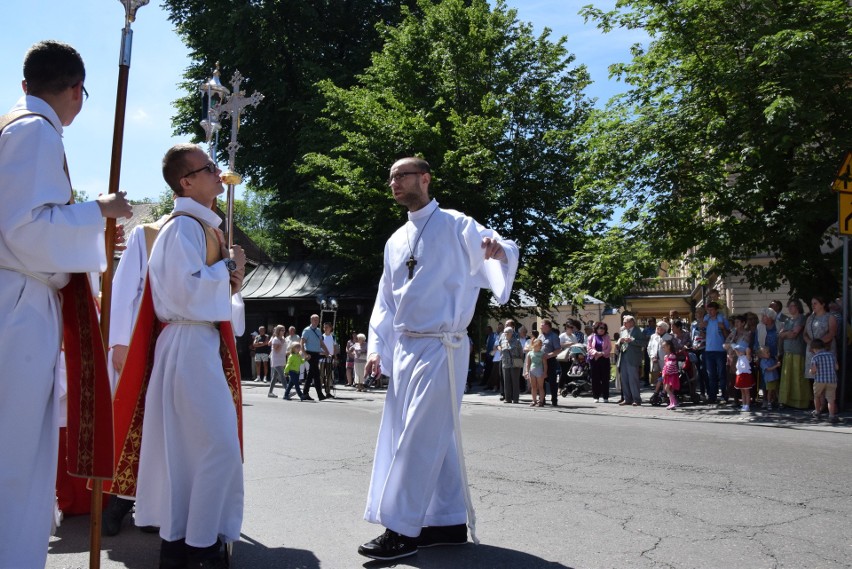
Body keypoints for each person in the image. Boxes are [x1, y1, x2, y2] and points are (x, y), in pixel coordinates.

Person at [0, 40, 133, 568]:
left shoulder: (19, 127)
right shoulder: (33, 131)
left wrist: (88, 234)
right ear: (77, 90)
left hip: (21, 296)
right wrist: (95, 213)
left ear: (27, 82)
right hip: (19, 302)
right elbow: (25, 232)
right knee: (18, 455)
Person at [358, 157, 518, 561]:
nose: (394, 182)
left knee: (417, 435)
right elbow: (385, 300)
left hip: (443, 345)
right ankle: (445, 521)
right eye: (390, 176)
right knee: (433, 435)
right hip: (407, 346)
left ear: (425, 179)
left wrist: (498, 251)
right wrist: (377, 347)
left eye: (402, 175)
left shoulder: (456, 223)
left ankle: (401, 529)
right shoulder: (395, 240)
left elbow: (500, 247)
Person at [133, 143, 246, 569]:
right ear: (186, 181)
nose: (219, 173)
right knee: (218, 447)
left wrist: (227, 275)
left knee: (189, 451)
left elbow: (202, 289)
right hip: (188, 341)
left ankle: (180, 544)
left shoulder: (199, 226)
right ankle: (201, 547)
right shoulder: (182, 227)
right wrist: (229, 269)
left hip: (193, 342)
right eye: (209, 168)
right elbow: (186, 291)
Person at [803, 296, 837, 411]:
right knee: (816, 377)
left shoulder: (830, 317)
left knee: (826, 376)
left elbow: (831, 333)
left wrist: (817, 344)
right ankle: (820, 405)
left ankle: (829, 405)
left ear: (822, 304)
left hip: (825, 349)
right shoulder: (810, 318)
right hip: (812, 349)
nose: (813, 305)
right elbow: (805, 334)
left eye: (815, 303)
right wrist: (811, 344)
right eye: (812, 303)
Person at [778, 299, 808, 408]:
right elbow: (780, 335)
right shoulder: (788, 320)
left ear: (798, 306)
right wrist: (787, 333)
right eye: (789, 306)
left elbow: (794, 334)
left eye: (792, 306)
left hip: (797, 352)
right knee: (787, 377)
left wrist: (786, 334)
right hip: (787, 352)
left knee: (797, 377)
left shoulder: (801, 318)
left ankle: (800, 402)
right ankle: (787, 401)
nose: (790, 308)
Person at [702, 302, 730, 404]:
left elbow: (728, 335)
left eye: (712, 310)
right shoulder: (707, 319)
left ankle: (724, 395)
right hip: (709, 350)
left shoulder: (721, 319)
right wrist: (702, 327)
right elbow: (702, 332)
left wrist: (723, 327)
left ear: (716, 310)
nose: (710, 312)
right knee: (711, 375)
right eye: (708, 310)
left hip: (720, 350)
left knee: (722, 374)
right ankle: (712, 396)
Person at [617, 315, 646, 406]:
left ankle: (637, 399)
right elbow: (621, 345)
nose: (624, 323)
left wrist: (632, 341)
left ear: (632, 322)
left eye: (626, 322)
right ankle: (627, 399)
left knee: (633, 380)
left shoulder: (640, 331)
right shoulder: (623, 331)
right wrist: (620, 342)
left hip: (633, 358)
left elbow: (644, 343)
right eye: (624, 322)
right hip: (623, 357)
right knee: (624, 379)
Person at [808, 339, 839, 423]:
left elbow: (813, 370)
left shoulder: (815, 357)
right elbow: (836, 367)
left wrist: (810, 371)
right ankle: (831, 415)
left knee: (817, 396)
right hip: (831, 380)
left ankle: (817, 412)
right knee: (831, 399)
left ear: (814, 348)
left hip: (819, 380)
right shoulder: (831, 355)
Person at [301, 314, 329, 401]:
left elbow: (321, 343)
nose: (316, 321)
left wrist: (326, 351)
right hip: (310, 354)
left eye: (318, 320)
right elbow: (301, 343)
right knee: (316, 373)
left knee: (311, 374)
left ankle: (305, 393)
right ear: (311, 320)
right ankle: (320, 394)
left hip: (316, 354)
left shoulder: (318, 331)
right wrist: (305, 354)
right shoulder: (306, 330)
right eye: (315, 320)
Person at [539, 319, 562, 406]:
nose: (540, 327)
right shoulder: (540, 337)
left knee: (552, 381)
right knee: (541, 381)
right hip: (541, 361)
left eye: (542, 325)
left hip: (550, 361)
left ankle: (554, 400)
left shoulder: (554, 336)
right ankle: (542, 399)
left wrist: (549, 355)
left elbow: (558, 349)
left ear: (548, 326)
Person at [497, 325, 524, 404]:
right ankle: (507, 398)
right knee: (506, 381)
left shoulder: (517, 341)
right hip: (505, 363)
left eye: (507, 332)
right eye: (504, 332)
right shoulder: (503, 341)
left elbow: (521, 353)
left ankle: (515, 398)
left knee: (515, 381)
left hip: (515, 362)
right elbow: (500, 349)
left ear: (511, 333)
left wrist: (520, 361)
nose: (505, 334)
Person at [586, 321, 611, 403]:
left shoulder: (607, 337)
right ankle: (596, 396)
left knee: (605, 378)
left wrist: (602, 353)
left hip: (604, 359)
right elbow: (589, 348)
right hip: (594, 359)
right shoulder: (591, 337)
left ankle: (605, 396)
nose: (602, 330)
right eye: (600, 328)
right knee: (595, 379)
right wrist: (595, 353)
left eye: (604, 328)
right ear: (596, 329)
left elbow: (609, 348)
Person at [524, 338, 547, 407]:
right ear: (534, 345)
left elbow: (545, 364)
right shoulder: (530, 353)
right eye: (538, 345)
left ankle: (541, 401)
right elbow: (528, 364)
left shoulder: (542, 353)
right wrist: (527, 372)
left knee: (540, 387)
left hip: (539, 370)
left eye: (540, 346)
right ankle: (534, 401)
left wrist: (545, 372)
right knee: (533, 387)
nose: (539, 347)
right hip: (532, 371)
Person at [732, 342, 754, 411]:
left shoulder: (747, 357)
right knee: (742, 392)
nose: (738, 352)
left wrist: (745, 348)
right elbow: (735, 349)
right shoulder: (739, 357)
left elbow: (748, 351)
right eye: (738, 351)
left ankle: (747, 405)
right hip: (739, 376)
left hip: (746, 376)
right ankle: (743, 404)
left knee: (746, 391)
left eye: (740, 350)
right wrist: (735, 348)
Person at [268, 325, 288, 397]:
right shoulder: (275, 339)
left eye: (284, 330)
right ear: (278, 331)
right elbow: (276, 350)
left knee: (274, 377)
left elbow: (284, 350)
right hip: (276, 360)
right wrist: (282, 343)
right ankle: (287, 390)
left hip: (281, 359)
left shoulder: (283, 338)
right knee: (282, 375)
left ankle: (270, 392)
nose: (283, 331)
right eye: (282, 330)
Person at [661, 340, 680, 410]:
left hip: (671, 375)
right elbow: (665, 366)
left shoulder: (672, 356)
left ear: (668, 346)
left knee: (667, 388)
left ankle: (674, 402)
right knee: (668, 389)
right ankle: (672, 403)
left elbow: (670, 366)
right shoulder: (666, 356)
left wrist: (666, 373)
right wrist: (663, 373)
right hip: (668, 375)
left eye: (664, 347)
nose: (663, 348)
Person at [320, 321, 337, 398]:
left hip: (330, 359)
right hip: (322, 359)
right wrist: (324, 354)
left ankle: (327, 392)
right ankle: (319, 391)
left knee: (329, 376)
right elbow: (319, 348)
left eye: (327, 327)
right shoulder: (321, 337)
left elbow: (334, 347)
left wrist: (335, 357)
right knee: (321, 375)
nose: (325, 328)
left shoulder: (333, 337)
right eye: (324, 327)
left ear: (331, 328)